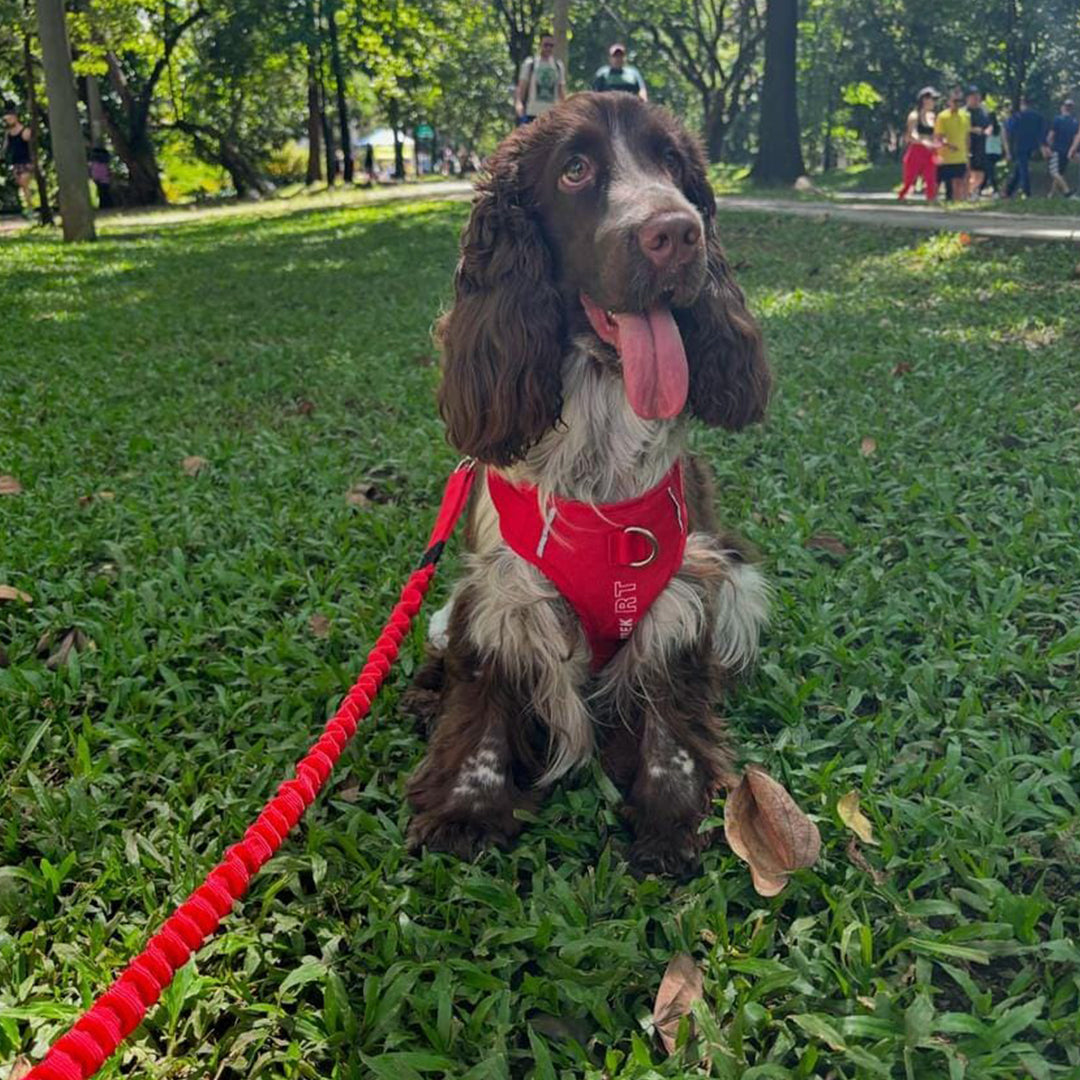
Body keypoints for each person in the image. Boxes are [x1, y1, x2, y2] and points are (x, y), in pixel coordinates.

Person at [514, 32, 566, 125]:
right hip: (532, 114)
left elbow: (561, 92)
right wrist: (519, 108)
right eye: (546, 45)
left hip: (551, 116)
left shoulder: (558, 66)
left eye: (551, 45)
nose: (548, 48)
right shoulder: (530, 64)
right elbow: (521, 88)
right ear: (539, 45)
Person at [898, 86, 940, 200]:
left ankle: (931, 202)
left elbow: (935, 134)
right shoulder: (914, 115)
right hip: (916, 152)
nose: (934, 102)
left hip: (929, 153)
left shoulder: (932, 117)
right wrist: (923, 142)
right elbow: (910, 135)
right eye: (932, 99)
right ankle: (901, 198)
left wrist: (938, 144)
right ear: (924, 100)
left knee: (931, 180)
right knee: (909, 181)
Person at [934, 87, 971, 201]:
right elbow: (939, 137)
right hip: (945, 157)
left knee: (959, 182)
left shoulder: (966, 116)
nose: (957, 104)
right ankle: (932, 202)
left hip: (960, 156)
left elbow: (967, 136)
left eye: (960, 101)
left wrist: (967, 153)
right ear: (949, 101)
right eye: (955, 101)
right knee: (938, 182)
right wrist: (949, 145)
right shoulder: (942, 116)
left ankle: (957, 204)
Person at [1005, 96, 1045, 198]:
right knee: (1020, 168)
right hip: (1032, 145)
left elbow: (1009, 129)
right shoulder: (1037, 116)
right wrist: (1041, 144)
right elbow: (1041, 131)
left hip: (1019, 145)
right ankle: (1009, 191)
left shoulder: (1017, 116)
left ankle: (1026, 192)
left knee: (1023, 169)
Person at [2, 103, 34, 214]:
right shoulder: (8, 133)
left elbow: (32, 146)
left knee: (24, 182)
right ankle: (28, 206)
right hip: (16, 162)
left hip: (26, 161)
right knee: (21, 185)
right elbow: (5, 147)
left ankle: (30, 208)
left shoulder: (25, 131)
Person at [1046, 99, 1078, 197]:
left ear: (1063, 107)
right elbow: (1075, 137)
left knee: (1053, 172)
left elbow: (1051, 135)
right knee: (1059, 173)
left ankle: (1067, 192)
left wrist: (1047, 146)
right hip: (1067, 151)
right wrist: (1073, 150)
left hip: (1057, 150)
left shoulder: (1058, 119)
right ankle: (1051, 195)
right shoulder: (1074, 122)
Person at [965, 85, 989, 198]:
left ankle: (971, 190)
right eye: (973, 97)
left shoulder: (983, 112)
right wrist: (973, 129)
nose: (976, 99)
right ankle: (967, 192)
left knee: (981, 173)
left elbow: (988, 125)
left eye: (977, 97)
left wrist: (988, 130)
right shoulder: (963, 112)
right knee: (969, 171)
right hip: (968, 144)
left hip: (981, 144)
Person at [981, 106, 1006, 194]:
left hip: (988, 151)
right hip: (997, 151)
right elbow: (1003, 139)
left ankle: (995, 189)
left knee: (990, 171)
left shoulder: (988, 127)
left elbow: (984, 135)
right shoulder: (1000, 127)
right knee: (988, 171)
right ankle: (981, 188)